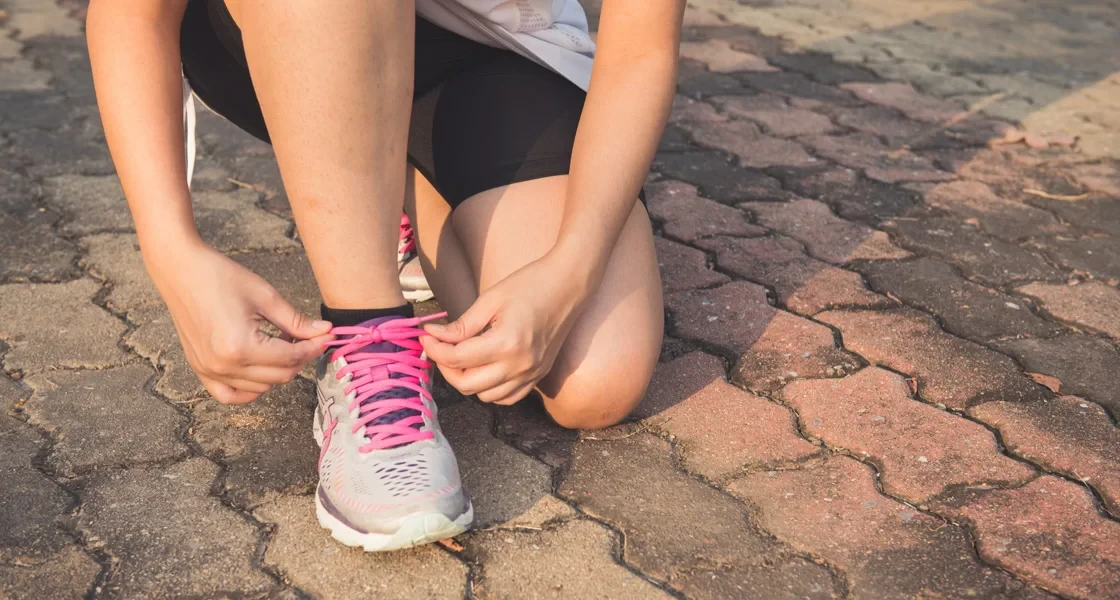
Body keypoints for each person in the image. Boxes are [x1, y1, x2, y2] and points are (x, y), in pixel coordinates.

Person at [86, 0, 681, 551]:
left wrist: (569, 271)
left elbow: (642, 50)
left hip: (492, 44)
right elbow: (130, 14)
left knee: (592, 379)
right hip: (292, 23)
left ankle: (388, 177)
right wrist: (171, 251)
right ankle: (366, 333)